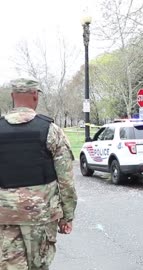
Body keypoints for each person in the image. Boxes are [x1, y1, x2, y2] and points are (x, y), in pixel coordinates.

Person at [0, 78, 77, 269]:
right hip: (41, 216)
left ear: (12, 97)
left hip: (4, 215)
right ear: (35, 96)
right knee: (39, 265)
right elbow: (66, 179)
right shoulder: (51, 130)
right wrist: (67, 217)